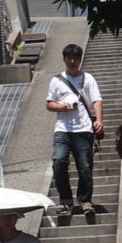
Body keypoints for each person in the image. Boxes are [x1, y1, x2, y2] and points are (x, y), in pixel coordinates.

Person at [45, 42, 104, 218]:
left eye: (75, 58)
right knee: (59, 161)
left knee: (85, 166)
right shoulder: (56, 80)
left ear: (80, 60)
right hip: (62, 129)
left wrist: (99, 120)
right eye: (69, 58)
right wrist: (61, 107)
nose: (72, 61)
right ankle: (65, 200)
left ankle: (85, 201)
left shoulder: (88, 79)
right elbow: (49, 104)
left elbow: (97, 100)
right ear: (64, 59)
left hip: (83, 128)